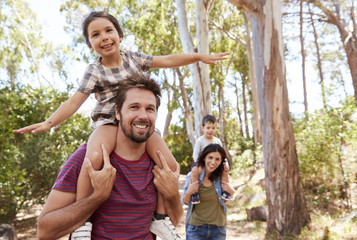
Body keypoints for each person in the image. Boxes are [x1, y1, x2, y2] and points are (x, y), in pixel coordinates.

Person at [13, 11, 228, 237]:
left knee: (171, 167)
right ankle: (83, 223)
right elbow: (74, 101)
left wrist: (198, 57)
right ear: (90, 45)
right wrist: (49, 123)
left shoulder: (134, 59)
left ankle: (160, 219)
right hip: (107, 121)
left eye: (108, 31)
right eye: (95, 34)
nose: (104, 37)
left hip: (137, 126)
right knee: (93, 159)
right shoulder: (94, 70)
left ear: (120, 36)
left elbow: (167, 60)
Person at [36, 73, 183, 240]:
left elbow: (174, 220)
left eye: (150, 109)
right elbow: (44, 232)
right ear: (118, 113)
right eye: (134, 107)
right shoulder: (86, 159)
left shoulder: (158, 164)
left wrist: (172, 195)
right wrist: (96, 197)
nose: (143, 115)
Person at [182, 144, 235, 240]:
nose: (213, 162)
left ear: (221, 161)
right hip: (195, 229)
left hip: (218, 230)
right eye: (210, 157)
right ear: (204, 158)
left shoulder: (222, 177)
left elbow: (226, 200)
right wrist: (189, 192)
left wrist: (232, 191)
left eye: (217, 159)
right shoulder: (192, 176)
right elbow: (185, 201)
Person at [190, 115, 232, 204]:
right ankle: (195, 193)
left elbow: (222, 155)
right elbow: (195, 155)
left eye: (213, 128)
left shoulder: (217, 141)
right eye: (208, 128)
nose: (210, 130)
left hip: (215, 163)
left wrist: (226, 163)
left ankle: (225, 191)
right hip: (201, 162)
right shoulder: (200, 141)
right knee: (194, 170)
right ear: (202, 128)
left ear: (216, 128)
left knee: (224, 170)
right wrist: (199, 164)